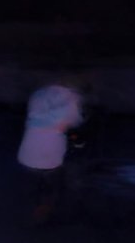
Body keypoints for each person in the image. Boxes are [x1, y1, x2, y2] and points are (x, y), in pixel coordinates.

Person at [15, 79, 86, 225]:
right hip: (50, 158)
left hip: (26, 155)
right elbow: (74, 123)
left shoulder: (38, 96)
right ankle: (45, 212)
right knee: (52, 183)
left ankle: (32, 211)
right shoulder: (71, 100)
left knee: (33, 183)